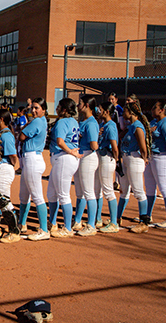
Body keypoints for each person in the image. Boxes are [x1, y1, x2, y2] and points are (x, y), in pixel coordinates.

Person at [47, 98, 81, 238]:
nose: (57, 108)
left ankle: (67, 227)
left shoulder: (62, 121)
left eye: (59, 106)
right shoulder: (73, 121)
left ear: (65, 109)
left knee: (63, 195)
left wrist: (69, 151)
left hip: (64, 158)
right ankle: (52, 222)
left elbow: (60, 142)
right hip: (63, 158)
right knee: (51, 193)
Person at [117, 102, 152, 234]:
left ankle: (144, 222)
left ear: (131, 112)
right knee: (124, 190)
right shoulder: (131, 126)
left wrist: (144, 158)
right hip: (127, 158)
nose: (123, 113)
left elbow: (143, 147)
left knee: (138, 191)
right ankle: (117, 218)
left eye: (125, 111)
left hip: (134, 159)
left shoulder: (138, 127)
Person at [18, 98, 50, 241]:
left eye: (37, 108)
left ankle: (44, 229)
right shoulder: (39, 121)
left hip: (32, 158)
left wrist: (23, 128)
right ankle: (21, 224)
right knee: (24, 195)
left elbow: (22, 136)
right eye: (33, 108)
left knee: (37, 196)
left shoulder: (37, 121)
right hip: (30, 158)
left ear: (43, 109)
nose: (34, 110)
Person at [144, 101, 166, 229]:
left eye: (155, 107)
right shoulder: (154, 122)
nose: (152, 109)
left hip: (162, 156)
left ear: (161, 110)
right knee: (149, 186)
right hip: (152, 156)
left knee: (164, 187)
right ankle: (147, 215)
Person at [0, 108, 21, 243]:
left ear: (1, 120)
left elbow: (13, 155)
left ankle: (14, 231)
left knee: (3, 200)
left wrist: (12, 167)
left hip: (3, 168)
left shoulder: (6, 135)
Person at [72, 95, 100, 237]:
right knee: (80, 192)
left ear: (87, 106)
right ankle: (77, 220)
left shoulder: (91, 123)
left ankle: (91, 225)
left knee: (89, 192)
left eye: (80, 104)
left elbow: (94, 145)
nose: (78, 106)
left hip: (88, 156)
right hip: (81, 156)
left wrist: (86, 139)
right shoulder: (83, 121)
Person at [95, 101, 121, 233]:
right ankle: (98, 218)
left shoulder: (111, 126)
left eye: (100, 109)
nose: (98, 111)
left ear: (107, 112)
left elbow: (114, 146)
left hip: (107, 158)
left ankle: (114, 223)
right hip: (100, 157)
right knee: (97, 189)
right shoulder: (102, 125)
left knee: (108, 190)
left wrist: (116, 161)